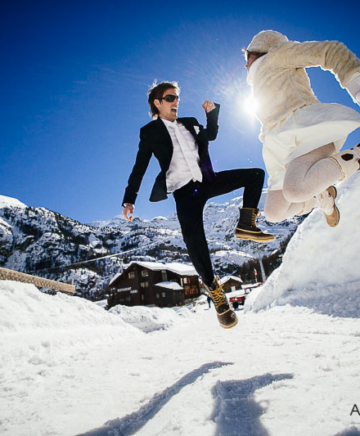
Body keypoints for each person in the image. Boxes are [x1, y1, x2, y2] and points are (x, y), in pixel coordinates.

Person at [122, 81, 274, 329]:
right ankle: (216, 292)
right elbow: (139, 167)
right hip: (183, 192)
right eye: (170, 98)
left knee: (255, 175)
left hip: (206, 180)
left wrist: (211, 114)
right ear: (157, 103)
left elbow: (211, 135)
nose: (176, 102)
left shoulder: (189, 122)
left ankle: (247, 223)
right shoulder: (149, 132)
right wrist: (129, 199)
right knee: (194, 242)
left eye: (177, 98)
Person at [244, 30, 360, 227]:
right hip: (280, 146)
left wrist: (356, 84)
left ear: (257, 51)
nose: (245, 65)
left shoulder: (277, 55)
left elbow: (330, 50)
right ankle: (323, 197)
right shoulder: (256, 83)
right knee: (274, 212)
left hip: (305, 132)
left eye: (247, 56)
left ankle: (357, 154)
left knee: (295, 190)